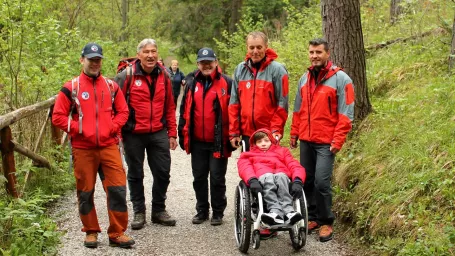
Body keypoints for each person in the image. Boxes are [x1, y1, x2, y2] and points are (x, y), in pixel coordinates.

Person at [52, 42, 135, 248]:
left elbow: (123, 112)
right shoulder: (71, 87)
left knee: (117, 189)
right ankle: (90, 231)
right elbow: (58, 117)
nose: (95, 63)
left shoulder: (111, 86)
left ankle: (117, 232)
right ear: (82, 60)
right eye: (91, 59)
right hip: (83, 149)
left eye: (98, 60)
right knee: (85, 191)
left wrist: (112, 127)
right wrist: (80, 129)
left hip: (109, 146)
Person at [290, 38, 355, 242]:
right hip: (306, 140)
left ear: (328, 53)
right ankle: (314, 217)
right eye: (311, 52)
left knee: (321, 181)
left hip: (326, 142)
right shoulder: (304, 79)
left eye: (318, 52)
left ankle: (327, 221)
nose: (314, 56)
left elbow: (346, 113)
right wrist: (294, 133)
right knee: (307, 180)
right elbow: (298, 109)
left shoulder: (342, 79)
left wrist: (338, 140)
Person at [114, 38, 178, 230]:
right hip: (133, 133)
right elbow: (115, 107)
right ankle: (139, 211)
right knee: (135, 173)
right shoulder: (127, 76)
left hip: (158, 131)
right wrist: (117, 134)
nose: (150, 55)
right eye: (146, 52)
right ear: (139, 54)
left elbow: (170, 106)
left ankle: (158, 210)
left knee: (163, 172)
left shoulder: (165, 75)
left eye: (153, 51)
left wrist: (172, 133)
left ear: (157, 54)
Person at [178, 47, 234, 226]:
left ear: (216, 62)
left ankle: (218, 212)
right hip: (197, 142)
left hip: (219, 140)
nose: (206, 65)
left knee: (217, 178)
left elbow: (234, 110)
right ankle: (202, 210)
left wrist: (234, 134)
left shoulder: (227, 82)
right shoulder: (191, 83)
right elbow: (184, 110)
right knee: (199, 177)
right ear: (198, 64)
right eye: (203, 62)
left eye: (209, 62)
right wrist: (181, 132)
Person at [229, 31, 289, 151]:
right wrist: (234, 132)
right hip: (247, 133)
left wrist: (275, 130)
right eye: (251, 47)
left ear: (266, 47)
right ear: (247, 48)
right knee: (247, 168)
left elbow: (282, 104)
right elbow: (234, 103)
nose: (255, 51)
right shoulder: (240, 69)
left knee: (267, 169)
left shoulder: (277, 70)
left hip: (268, 134)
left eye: (259, 47)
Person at [238, 129, 306, 225]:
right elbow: (245, 168)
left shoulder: (282, 151)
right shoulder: (247, 155)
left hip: (282, 177)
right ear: (254, 143)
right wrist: (252, 180)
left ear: (272, 141)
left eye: (266, 140)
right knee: (268, 177)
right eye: (259, 141)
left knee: (281, 176)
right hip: (262, 178)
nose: (263, 144)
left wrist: (298, 180)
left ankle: (289, 211)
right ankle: (275, 212)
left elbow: (294, 165)